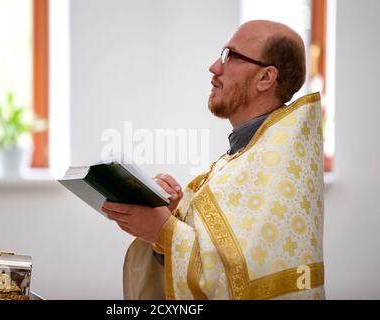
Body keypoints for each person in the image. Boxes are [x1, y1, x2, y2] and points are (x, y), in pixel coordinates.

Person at [102, 20, 325, 300]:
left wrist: (164, 230)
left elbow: (243, 279)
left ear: (266, 78)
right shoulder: (251, 154)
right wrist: (174, 215)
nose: (214, 67)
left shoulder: (278, 171)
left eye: (230, 56)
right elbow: (221, 254)